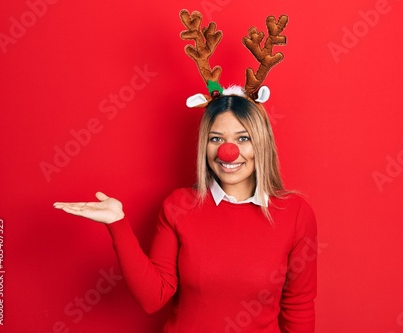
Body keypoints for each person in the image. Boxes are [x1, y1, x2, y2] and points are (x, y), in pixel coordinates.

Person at [54, 10, 318, 332]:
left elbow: (299, 308)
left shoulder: (295, 214)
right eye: (216, 138)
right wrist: (117, 223)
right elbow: (154, 298)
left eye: (243, 138)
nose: (228, 151)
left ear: (261, 144)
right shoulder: (179, 206)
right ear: (204, 146)